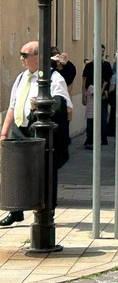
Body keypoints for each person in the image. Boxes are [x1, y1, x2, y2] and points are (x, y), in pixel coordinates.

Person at [0, 41, 73, 226]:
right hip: (19, 129)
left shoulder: (54, 78)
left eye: (25, 55)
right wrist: (4, 132)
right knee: (16, 171)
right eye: (21, 54)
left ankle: (46, 211)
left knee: (43, 172)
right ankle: (15, 211)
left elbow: (66, 107)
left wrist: (43, 106)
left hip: (38, 132)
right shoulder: (21, 77)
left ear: (38, 57)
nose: (21, 59)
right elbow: (12, 106)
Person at [82, 44, 113, 148]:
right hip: (90, 95)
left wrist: (107, 91)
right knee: (90, 118)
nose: (102, 53)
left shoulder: (107, 65)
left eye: (103, 51)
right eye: (100, 51)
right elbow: (84, 80)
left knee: (102, 117)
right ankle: (89, 139)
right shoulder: (89, 65)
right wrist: (83, 95)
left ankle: (103, 138)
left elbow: (109, 80)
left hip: (103, 95)